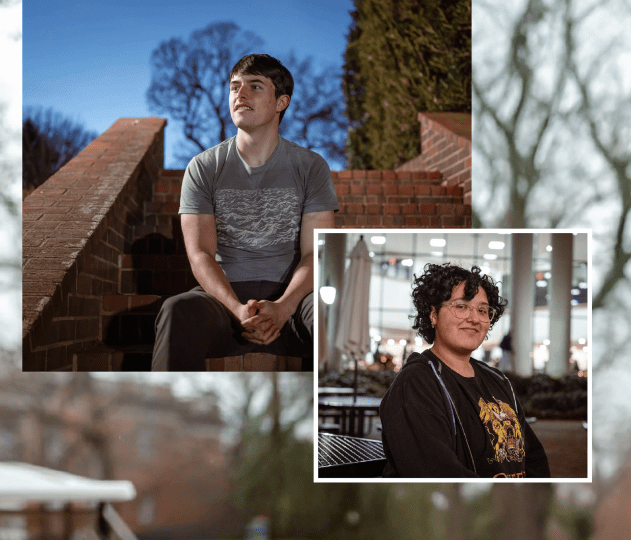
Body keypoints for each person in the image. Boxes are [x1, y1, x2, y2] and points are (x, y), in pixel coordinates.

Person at [151, 53, 338, 371]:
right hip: (225, 301)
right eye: (234, 87)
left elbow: (313, 254)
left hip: (291, 302)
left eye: (254, 86)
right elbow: (200, 255)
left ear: (281, 102)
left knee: (332, 313)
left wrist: (283, 307)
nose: (240, 94)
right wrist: (236, 309)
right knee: (176, 310)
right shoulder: (204, 167)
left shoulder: (311, 167)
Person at [379, 263, 550, 478]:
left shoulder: (498, 380)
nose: (474, 318)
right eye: (461, 306)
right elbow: (438, 476)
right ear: (433, 314)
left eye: (482, 310)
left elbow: (534, 458)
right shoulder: (416, 384)